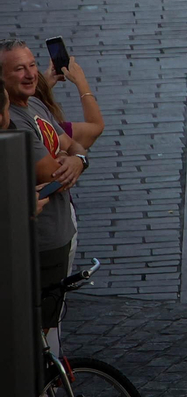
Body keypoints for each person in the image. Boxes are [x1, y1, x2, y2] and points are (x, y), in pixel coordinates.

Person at [2, 38, 89, 335]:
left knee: (52, 327)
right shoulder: (14, 121)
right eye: (19, 69)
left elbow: (74, 147)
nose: (29, 75)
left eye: (32, 66)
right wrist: (71, 159)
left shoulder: (36, 104)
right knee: (42, 332)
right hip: (42, 242)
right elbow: (55, 175)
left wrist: (77, 158)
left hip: (61, 232)